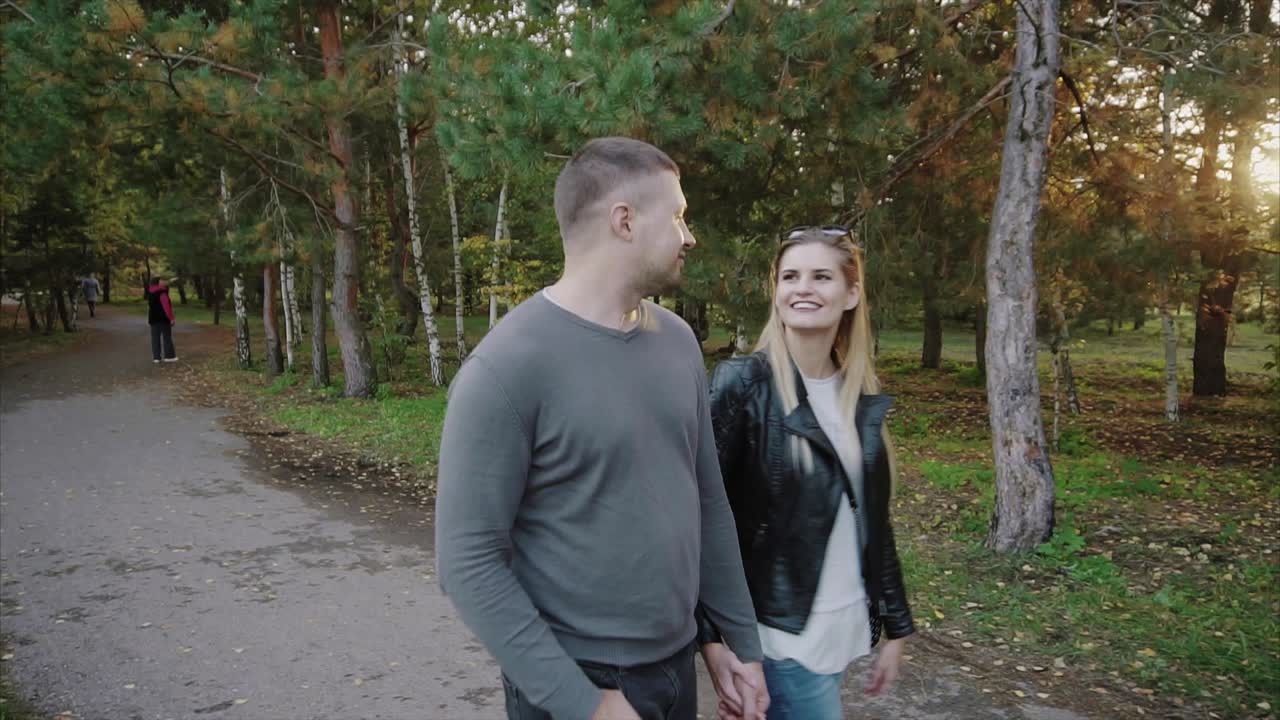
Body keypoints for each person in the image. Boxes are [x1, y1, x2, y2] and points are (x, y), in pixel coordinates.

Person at [436, 137, 768, 720]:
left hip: (676, 667)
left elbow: (707, 503)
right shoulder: (506, 369)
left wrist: (732, 641)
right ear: (625, 221)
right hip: (574, 683)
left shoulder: (678, 342)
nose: (689, 236)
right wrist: (583, 704)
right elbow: (467, 562)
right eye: (678, 216)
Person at [697, 225, 915, 720]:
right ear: (776, 291)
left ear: (851, 293)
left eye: (821, 276)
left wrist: (897, 626)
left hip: (843, 629)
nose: (803, 288)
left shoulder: (856, 395)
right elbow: (701, 517)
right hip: (778, 641)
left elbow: (874, 522)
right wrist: (714, 641)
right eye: (790, 276)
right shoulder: (743, 384)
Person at [145, 277, 177, 363]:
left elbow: (149, 306)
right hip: (163, 319)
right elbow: (166, 307)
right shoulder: (162, 292)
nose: (163, 282)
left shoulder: (150, 292)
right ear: (158, 283)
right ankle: (169, 357)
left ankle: (156, 358)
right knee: (167, 337)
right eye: (162, 281)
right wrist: (171, 318)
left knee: (155, 338)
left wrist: (170, 281)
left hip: (153, 319)